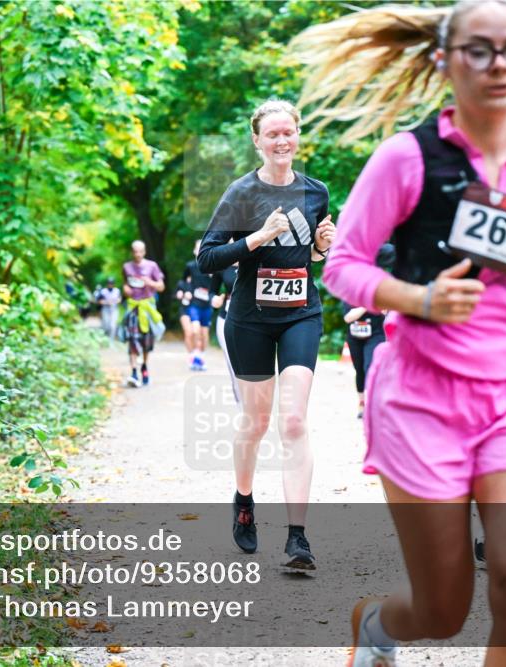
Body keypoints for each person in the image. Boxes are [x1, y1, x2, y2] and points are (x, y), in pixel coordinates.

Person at [295, 1, 506, 663]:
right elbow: (343, 265)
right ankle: (376, 625)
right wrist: (420, 297)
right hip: (421, 397)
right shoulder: (406, 159)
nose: (498, 65)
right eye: (479, 50)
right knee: (442, 607)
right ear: (445, 60)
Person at [197, 99, 335, 570]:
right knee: (255, 423)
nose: (281, 141)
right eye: (272, 134)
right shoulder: (241, 193)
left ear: (298, 137)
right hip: (250, 319)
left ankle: (298, 538)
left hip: (301, 314)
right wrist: (255, 238)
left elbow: (312, 258)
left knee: (293, 421)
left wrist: (320, 248)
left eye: (288, 133)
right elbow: (208, 259)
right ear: (257, 140)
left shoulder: (316, 192)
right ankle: (244, 501)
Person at [344, 243, 396, 424]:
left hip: (375, 334)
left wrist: (385, 308)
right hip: (355, 335)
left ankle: (375, 405)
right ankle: (362, 403)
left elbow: (388, 309)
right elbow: (348, 317)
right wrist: (368, 303)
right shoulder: (350, 287)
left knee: (370, 367)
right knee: (359, 371)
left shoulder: (384, 281)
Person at [121, 240, 165, 387]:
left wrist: (150, 282)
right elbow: (125, 284)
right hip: (133, 307)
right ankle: (134, 372)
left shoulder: (152, 266)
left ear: (144, 252)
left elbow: (161, 286)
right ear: (132, 252)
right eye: (135, 251)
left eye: (140, 251)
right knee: (132, 339)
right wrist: (125, 289)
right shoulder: (126, 267)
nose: (138, 254)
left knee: (147, 341)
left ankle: (144, 367)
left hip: (147, 307)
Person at [210, 262, 240, 404]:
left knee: (255, 368)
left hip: (254, 321)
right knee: (234, 367)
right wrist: (214, 299)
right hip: (226, 319)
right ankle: (242, 410)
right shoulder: (223, 264)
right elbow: (212, 291)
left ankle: (260, 412)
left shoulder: (258, 260)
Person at [183, 240, 215, 371]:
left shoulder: (212, 266)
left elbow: (217, 284)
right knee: (195, 330)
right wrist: (186, 291)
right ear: (194, 251)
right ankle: (194, 355)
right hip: (194, 304)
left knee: (204, 334)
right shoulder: (190, 266)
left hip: (207, 306)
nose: (200, 250)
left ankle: (200, 357)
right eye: (198, 248)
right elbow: (183, 280)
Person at [173, 277, 195, 365]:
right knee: (188, 332)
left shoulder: (199, 281)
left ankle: (197, 354)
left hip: (196, 309)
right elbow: (174, 295)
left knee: (195, 333)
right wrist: (178, 294)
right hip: (184, 310)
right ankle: (191, 356)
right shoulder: (181, 283)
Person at [96, 278, 122, 345]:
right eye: (109, 283)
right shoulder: (103, 291)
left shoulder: (117, 291)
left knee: (113, 325)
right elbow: (99, 301)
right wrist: (106, 302)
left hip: (114, 309)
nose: (110, 285)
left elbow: (120, 299)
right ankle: (105, 339)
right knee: (106, 325)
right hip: (106, 309)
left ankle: (111, 341)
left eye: (111, 283)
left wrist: (115, 301)